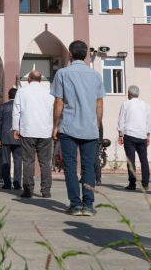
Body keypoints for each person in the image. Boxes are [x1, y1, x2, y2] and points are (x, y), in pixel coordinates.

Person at [52, 41, 105, 216]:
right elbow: (99, 104)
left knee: (70, 166)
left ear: (70, 54)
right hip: (90, 128)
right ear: (86, 55)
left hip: (69, 127)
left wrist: (55, 125)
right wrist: (97, 125)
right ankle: (88, 205)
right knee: (89, 167)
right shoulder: (96, 76)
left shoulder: (62, 73)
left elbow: (59, 102)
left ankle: (75, 204)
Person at [11, 70, 55, 199]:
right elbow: (55, 110)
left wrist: (15, 128)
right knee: (45, 162)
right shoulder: (49, 92)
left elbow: (16, 111)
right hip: (45, 131)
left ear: (29, 79)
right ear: (41, 80)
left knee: (28, 161)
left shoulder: (22, 91)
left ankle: (28, 190)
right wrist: (55, 127)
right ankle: (46, 191)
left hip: (27, 130)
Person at [117, 85, 150, 191]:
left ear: (130, 94)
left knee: (131, 160)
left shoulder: (125, 104)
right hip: (142, 135)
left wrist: (120, 134)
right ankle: (145, 183)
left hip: (129, 135)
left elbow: (121, 120)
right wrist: (148, 135)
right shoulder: (145, 105)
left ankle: (132, 183)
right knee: (144, 160)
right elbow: (148, 121)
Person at [0, 89, 21, 190]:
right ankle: (17, 183)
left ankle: (7, 183)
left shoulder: (2, 107)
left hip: (5, 137)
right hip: (18, 136)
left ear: (8, 95)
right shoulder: (21, 106)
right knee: (18, 161)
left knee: (5, 161)